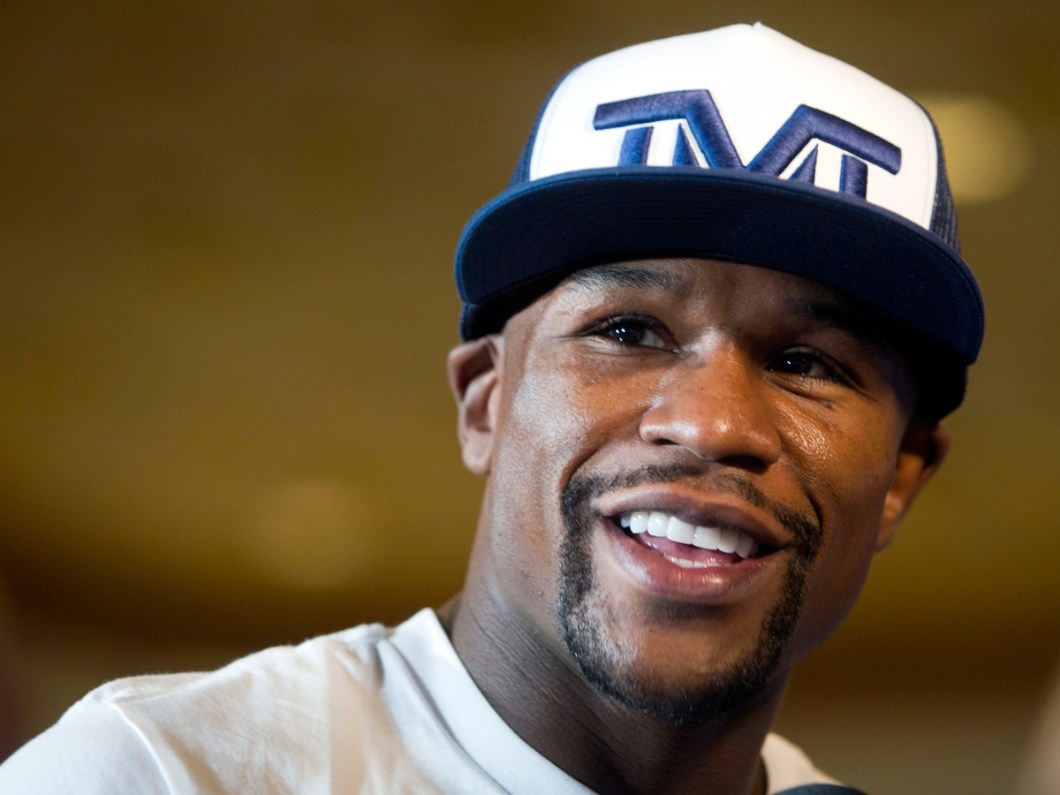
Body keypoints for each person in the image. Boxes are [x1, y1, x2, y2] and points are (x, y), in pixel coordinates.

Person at [0, 22, 983, 795]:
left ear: (900, 473)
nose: (713, 423)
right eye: (630, 331)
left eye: (808, 361)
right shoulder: (161, 775)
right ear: (485, 400)